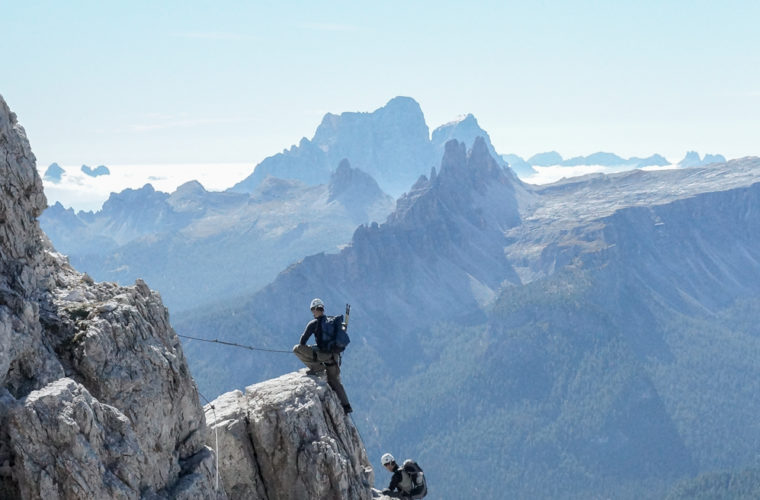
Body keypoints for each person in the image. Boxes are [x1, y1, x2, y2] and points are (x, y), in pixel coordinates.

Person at [293, 298, 353, 414]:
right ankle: (346, 406)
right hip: (334, 358)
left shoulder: (314, 324)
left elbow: (302, 342)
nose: (312, 312)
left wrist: (314, 346)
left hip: (323, 356)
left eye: (312, 310)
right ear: (323, 309)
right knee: (334, 381)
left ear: (315, 309)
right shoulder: (331, 322)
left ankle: (317, 368)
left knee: (296, 349)